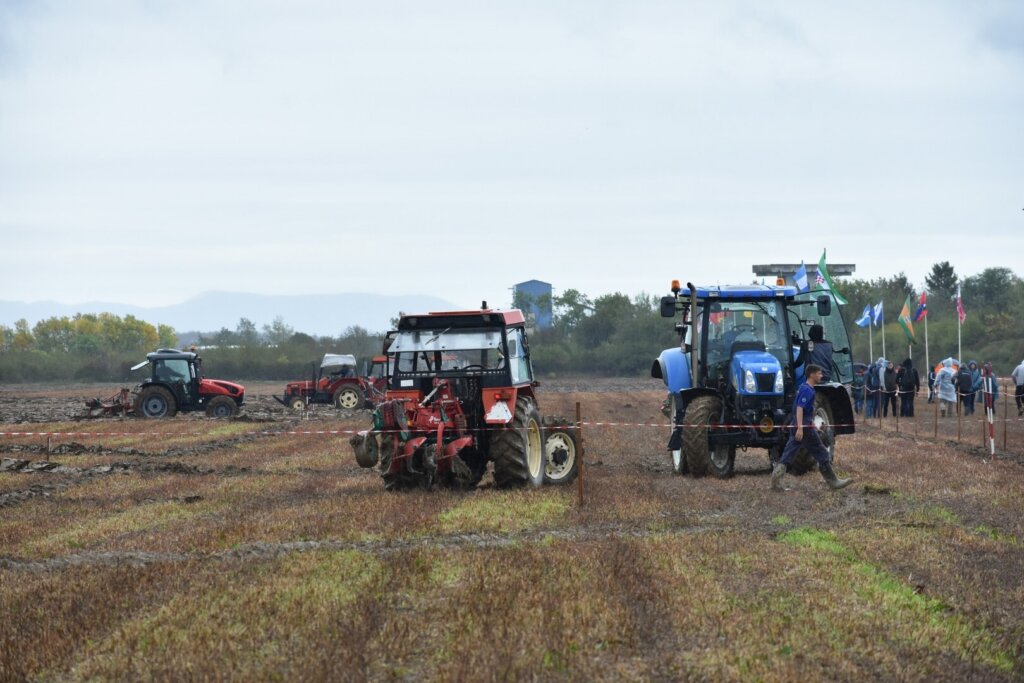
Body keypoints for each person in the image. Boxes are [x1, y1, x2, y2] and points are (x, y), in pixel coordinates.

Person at [771, 364, 852, 491]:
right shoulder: (807, 390)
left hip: (803, 426)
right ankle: (833, 481)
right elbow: (799, 409)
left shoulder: (805, 388)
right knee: (821, 452)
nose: (821, 376)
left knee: (788, 454)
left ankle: (775, 482)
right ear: (812, 375)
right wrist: (801, 428)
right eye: (819, 373)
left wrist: (812, 425)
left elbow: (807, 412)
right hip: (804, 429)